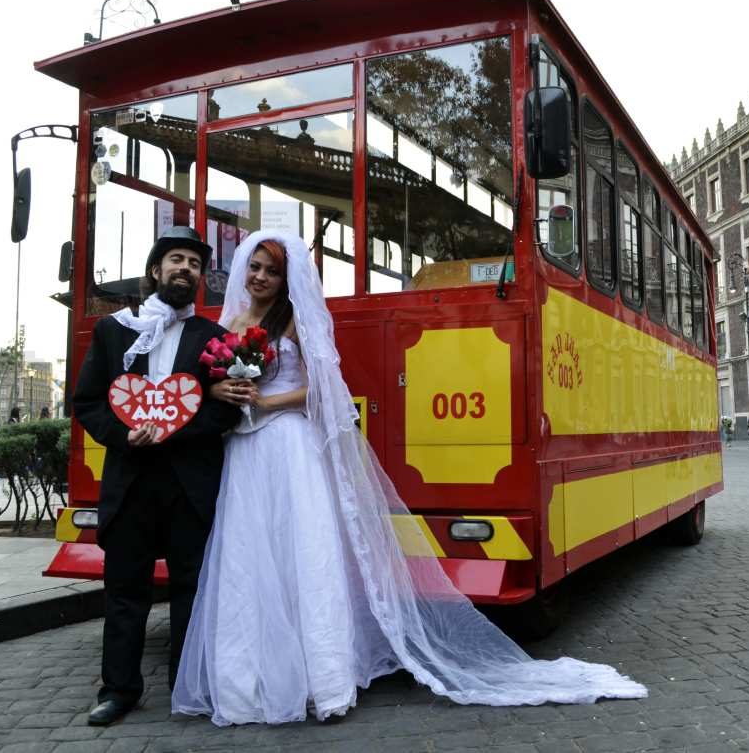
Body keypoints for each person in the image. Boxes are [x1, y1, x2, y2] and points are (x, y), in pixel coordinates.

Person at [172, 231, 646, 727]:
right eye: (256, 269)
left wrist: (266, 400)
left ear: (287, 279)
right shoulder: (227, 322)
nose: (261, 278)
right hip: (245, 450)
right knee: (248, 558)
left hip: (288, 445)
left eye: (272, 271)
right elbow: (211, 382)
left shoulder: (292, 320)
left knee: (301, 555)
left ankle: (321, 681)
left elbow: (323, 387)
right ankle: (245, 685)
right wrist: (226, 390)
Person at [72, 227, 242, 727]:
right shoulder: (113, 331)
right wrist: (126, 438)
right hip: (131, 484)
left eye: (193, 262)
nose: (185, 269)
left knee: (191, 588)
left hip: (190, 485)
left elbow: (227, 410)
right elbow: (87, 402)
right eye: (176, 260)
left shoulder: (215, 340)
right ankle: (118, 690)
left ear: (201, 279)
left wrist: (175, 432)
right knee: (125, 592)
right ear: (155, 271)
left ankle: (186, 687)